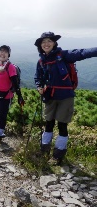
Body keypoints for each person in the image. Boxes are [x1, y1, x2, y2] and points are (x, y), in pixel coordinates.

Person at [34, 31, 97, 165]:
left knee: (62, 125)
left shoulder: (64, 55)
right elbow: (37, 77)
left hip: (65, 97)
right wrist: (39, 86)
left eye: (49, 41)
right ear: (40, 45)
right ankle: (44, 150)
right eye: (43, 42)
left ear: (54, 43)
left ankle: (58, 155)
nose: (46, 44)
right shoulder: (41, 61)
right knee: (49, 123)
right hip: (49, 96)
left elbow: (82, 53)